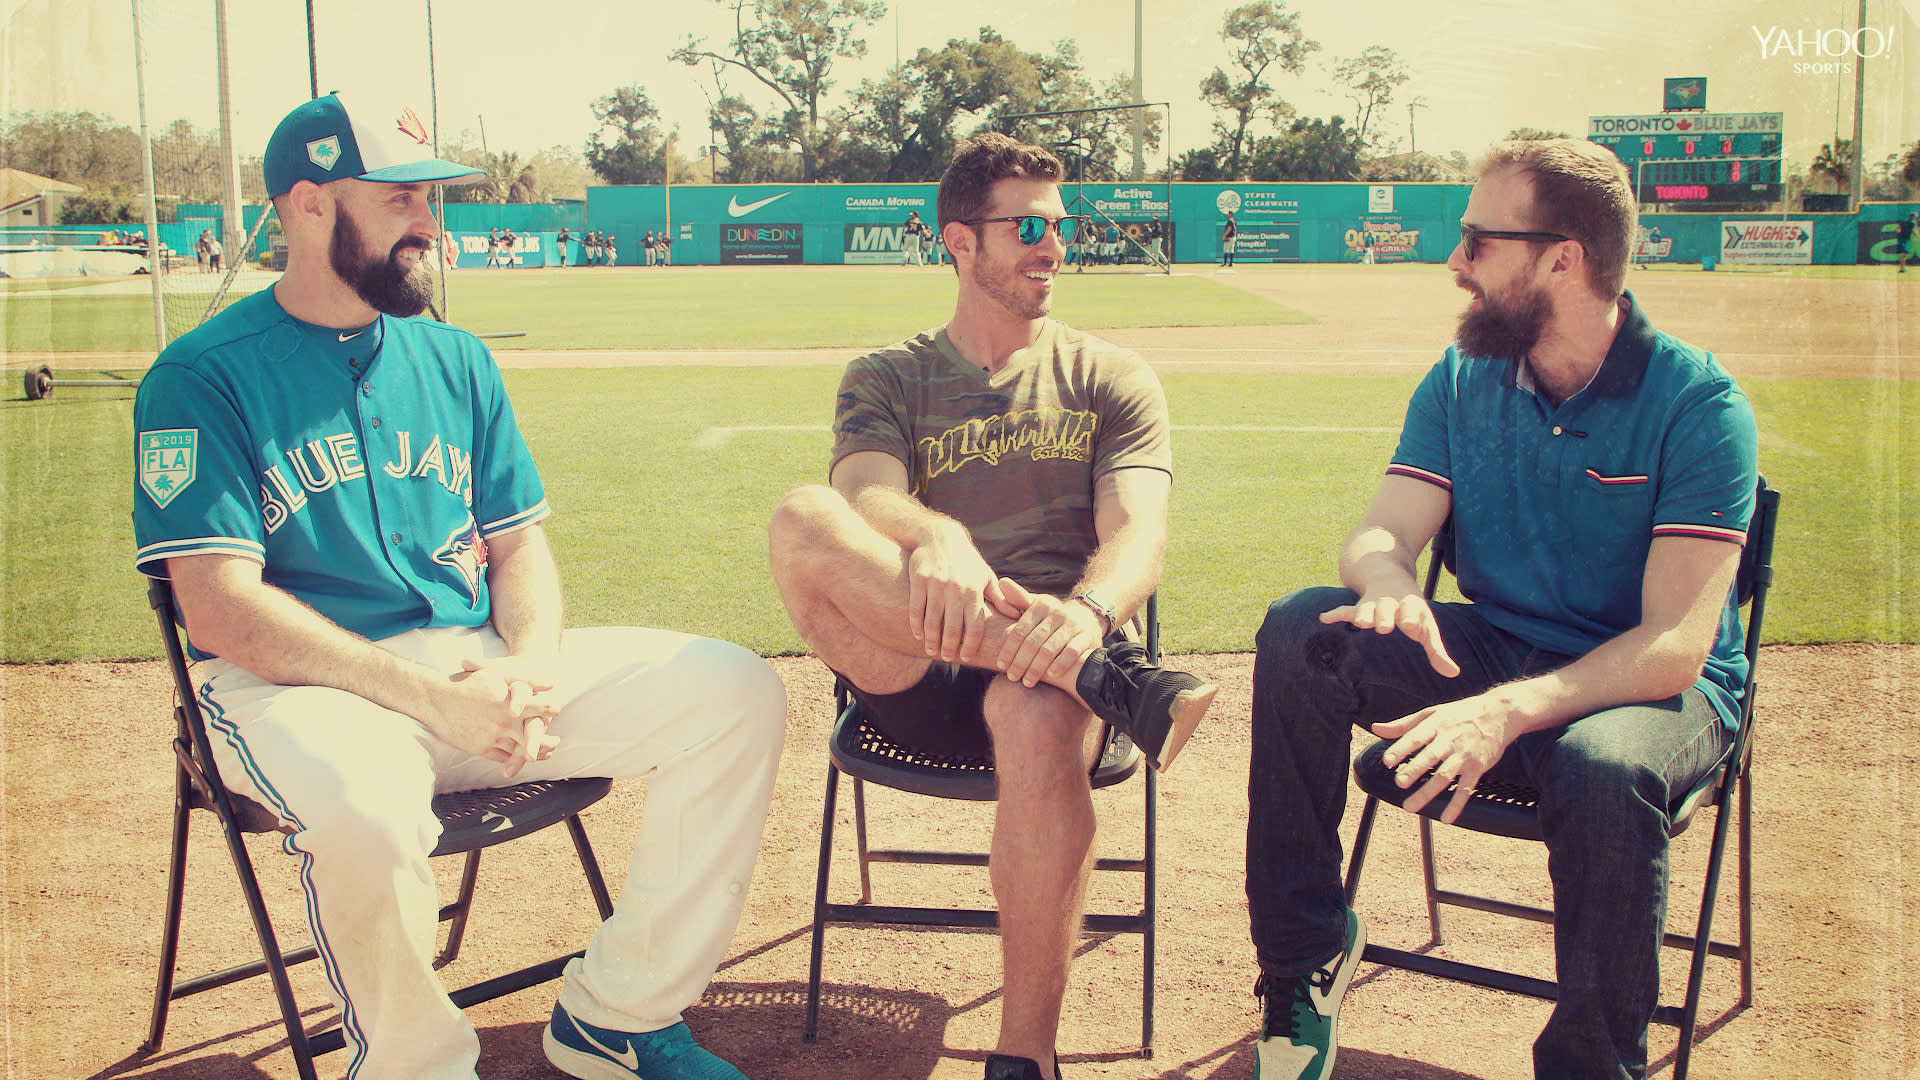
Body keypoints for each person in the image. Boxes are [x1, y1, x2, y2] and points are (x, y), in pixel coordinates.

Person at [131, 92, 784, 1080]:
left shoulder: (456, 357)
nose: (429, 224)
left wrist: (528, 667)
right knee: (365, 803)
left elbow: (519, 549)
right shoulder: (200, 376)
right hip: (296, 696)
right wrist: (437, 699)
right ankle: (413, 1066)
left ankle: (619, 1013)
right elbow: (219, 612)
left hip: (471, 677)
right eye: (399, 200)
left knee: (734, 692)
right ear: (308, 207)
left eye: (431, 199)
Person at [1243, 138, 1758, 1080]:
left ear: (1562, 256)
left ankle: (1592, 1065)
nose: (1455, 264)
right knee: (1301, 631)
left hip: (1650, 689)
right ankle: (1304, 960)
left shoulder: (1699, 403)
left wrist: (1504, 711)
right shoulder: (1463, 376)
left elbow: (1674, 647)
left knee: (1602, 763)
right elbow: (1379, 534)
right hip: (1502, 648)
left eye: (1479, 241)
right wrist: (1390, 581)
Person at [767, 132, 1217, 1080]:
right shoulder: (888, 375)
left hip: (1056, 667)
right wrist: (934, 534)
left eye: (1060, 225)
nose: (1054, 245)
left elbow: (1140, 534)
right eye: (1028, 227)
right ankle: (1108, 679)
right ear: (959, 242)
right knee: (801, 517)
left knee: (1037, 706)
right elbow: (861, 493)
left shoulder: (1111, 375)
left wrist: (1089, 614)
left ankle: (1023, 1059)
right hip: (914, 654)